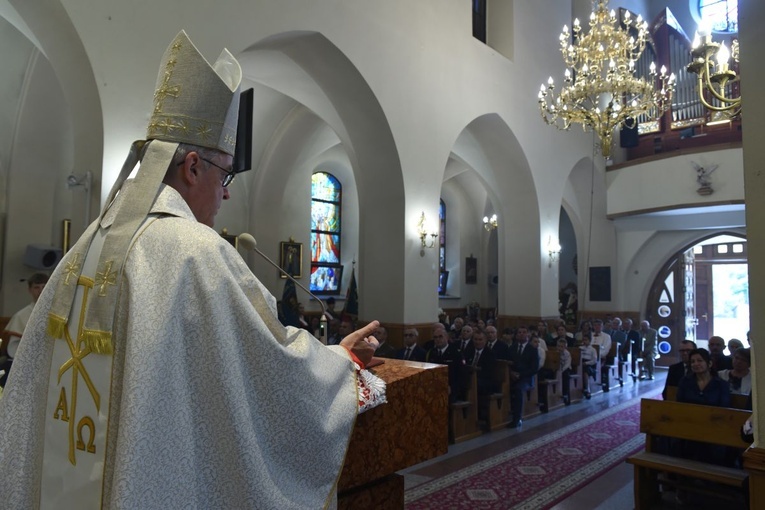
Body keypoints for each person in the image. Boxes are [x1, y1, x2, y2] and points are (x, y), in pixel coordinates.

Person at [0, 31, 385, 509]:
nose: (226, 194)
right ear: (193, 166)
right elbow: (270, 365)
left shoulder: (87, 244)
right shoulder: (194, 251)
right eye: (225, 175)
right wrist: (339, 364)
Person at [0, 273, 49, 387]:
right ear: (30, 290)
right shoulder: (21, 316)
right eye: (36, 287)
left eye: (44, 287)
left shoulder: (58, 315)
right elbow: (13, 349)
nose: (41, 291)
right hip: (27, 364)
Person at [579, 333, 598, 399]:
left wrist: (586, 363)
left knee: (585, 370)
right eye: (583, 340)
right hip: (580, 362)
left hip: (588, 364)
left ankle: (587, 389)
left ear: (589, 341)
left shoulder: (593, 349)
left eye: (586, 340)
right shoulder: (580, 348)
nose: (584, 341)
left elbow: (594, 360)